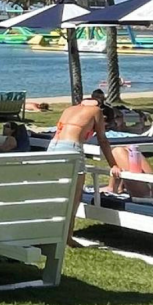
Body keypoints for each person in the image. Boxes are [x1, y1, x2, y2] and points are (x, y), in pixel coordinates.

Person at [49, 94, 121, 246]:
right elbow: (102, 140)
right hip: (72, 148)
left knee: (56, 191)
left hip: (53, 146)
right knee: (74, 196)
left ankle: (51, 231)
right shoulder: (96, 111)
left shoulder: (70, 109)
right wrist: (113, 164)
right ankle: (67, 237)